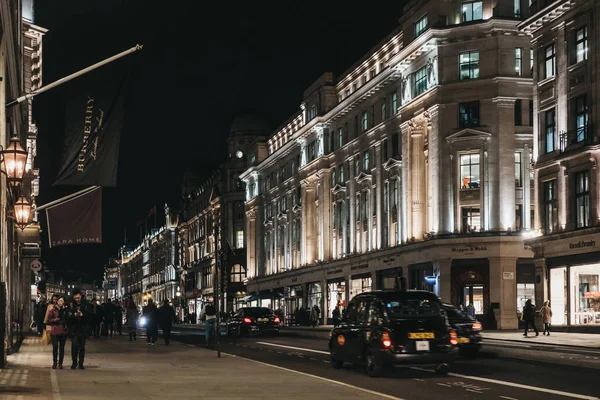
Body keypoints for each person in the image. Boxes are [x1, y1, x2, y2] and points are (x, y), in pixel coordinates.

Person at [66, 289, 90, 369]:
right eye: (75, 298)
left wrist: (83, 315)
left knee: (82, 347)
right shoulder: (71, 305)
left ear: (81, 296)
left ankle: (81, 363)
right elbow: (67, 317)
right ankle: (74, 362)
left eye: (78, 298)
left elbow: (90, 316)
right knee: (74, 346)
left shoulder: (86, 304)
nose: (77, 299)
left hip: (83, 328)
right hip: (74, 329)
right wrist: (74, 315)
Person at [47, 296, 68, 369]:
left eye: (62, 301)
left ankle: (60, 363)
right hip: (55, 331)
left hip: (63, 331)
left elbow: (68, 320)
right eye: (59, 301)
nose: (60, 302)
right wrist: (55, 320)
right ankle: (55, 362)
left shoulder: (66, 311)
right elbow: (48, 320)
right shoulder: (53, 310)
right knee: (55, 347)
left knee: (62, 348)